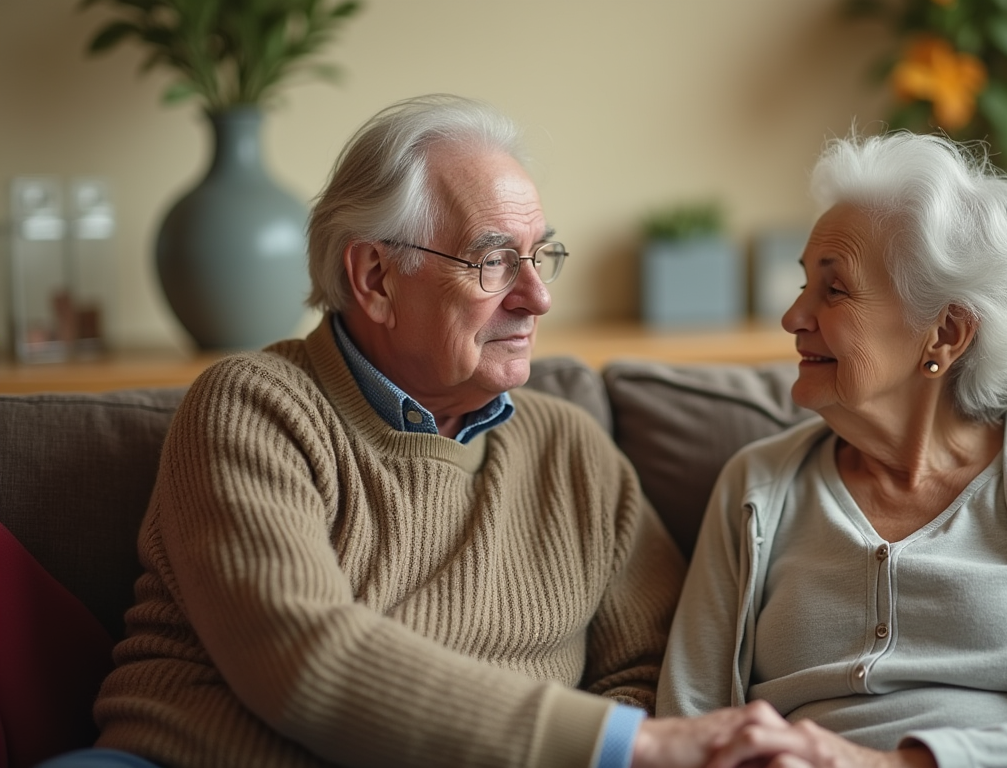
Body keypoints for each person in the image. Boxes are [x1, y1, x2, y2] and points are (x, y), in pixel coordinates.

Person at [70, 94, 773, 768]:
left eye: (542, 255)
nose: (538, 297)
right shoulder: (254, 409)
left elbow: (650, 675)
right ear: (376, 277)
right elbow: (304, 658)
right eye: (494, 261)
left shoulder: (573, 450)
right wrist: (629, 750)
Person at [657, 132, 1007, 768]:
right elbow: (685, 720)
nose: (794, 316)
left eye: (835, 290)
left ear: (946, 333)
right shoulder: (757, 486)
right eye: (802, 286)